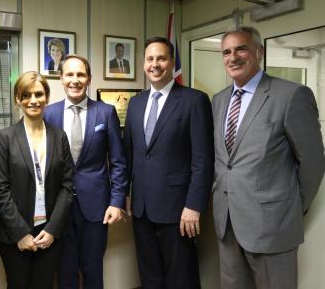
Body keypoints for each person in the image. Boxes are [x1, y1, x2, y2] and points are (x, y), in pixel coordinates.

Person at [212, 26, 325, 289]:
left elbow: (313, 161)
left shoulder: (291, 95)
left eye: (241, 48)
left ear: (258, 52)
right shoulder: (218, 101)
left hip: (273, 225)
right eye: (226, 51)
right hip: (227, 223)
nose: (233, 57)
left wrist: (291, 207)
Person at [124, 37, 214, 288]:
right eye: (150, 59)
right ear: (144, 64)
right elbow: (130, 154)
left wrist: (194, 205)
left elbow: (202, 160)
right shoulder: (136, 103)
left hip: (178, 210)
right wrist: (126, 194)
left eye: (161, 58)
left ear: (172, 62)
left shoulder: (194, 100)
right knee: (150, 276)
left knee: (180, 277)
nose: (155, 64)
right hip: (142, 208)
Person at [44, 55, 127, 289]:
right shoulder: (48, 114)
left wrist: (117, 201)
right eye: (69, 74)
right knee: (65, 271)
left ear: (88, 79)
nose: (75, 80)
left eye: (81, 74)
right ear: (61, 78)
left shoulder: (106, 112)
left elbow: (119, 162)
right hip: (59, 207)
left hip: (96, 208)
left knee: (93, 270)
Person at [0, 71, 74, 289]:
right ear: (18, 99)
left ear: (47, 97)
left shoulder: (59, 137)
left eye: (39, 94)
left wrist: (53, 229)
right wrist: (21, 234)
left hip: (49, 233)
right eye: (26, 95)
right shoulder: (5, 137)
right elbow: (1, 190)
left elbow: (67, 186)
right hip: (15, 234)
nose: (33, 100)